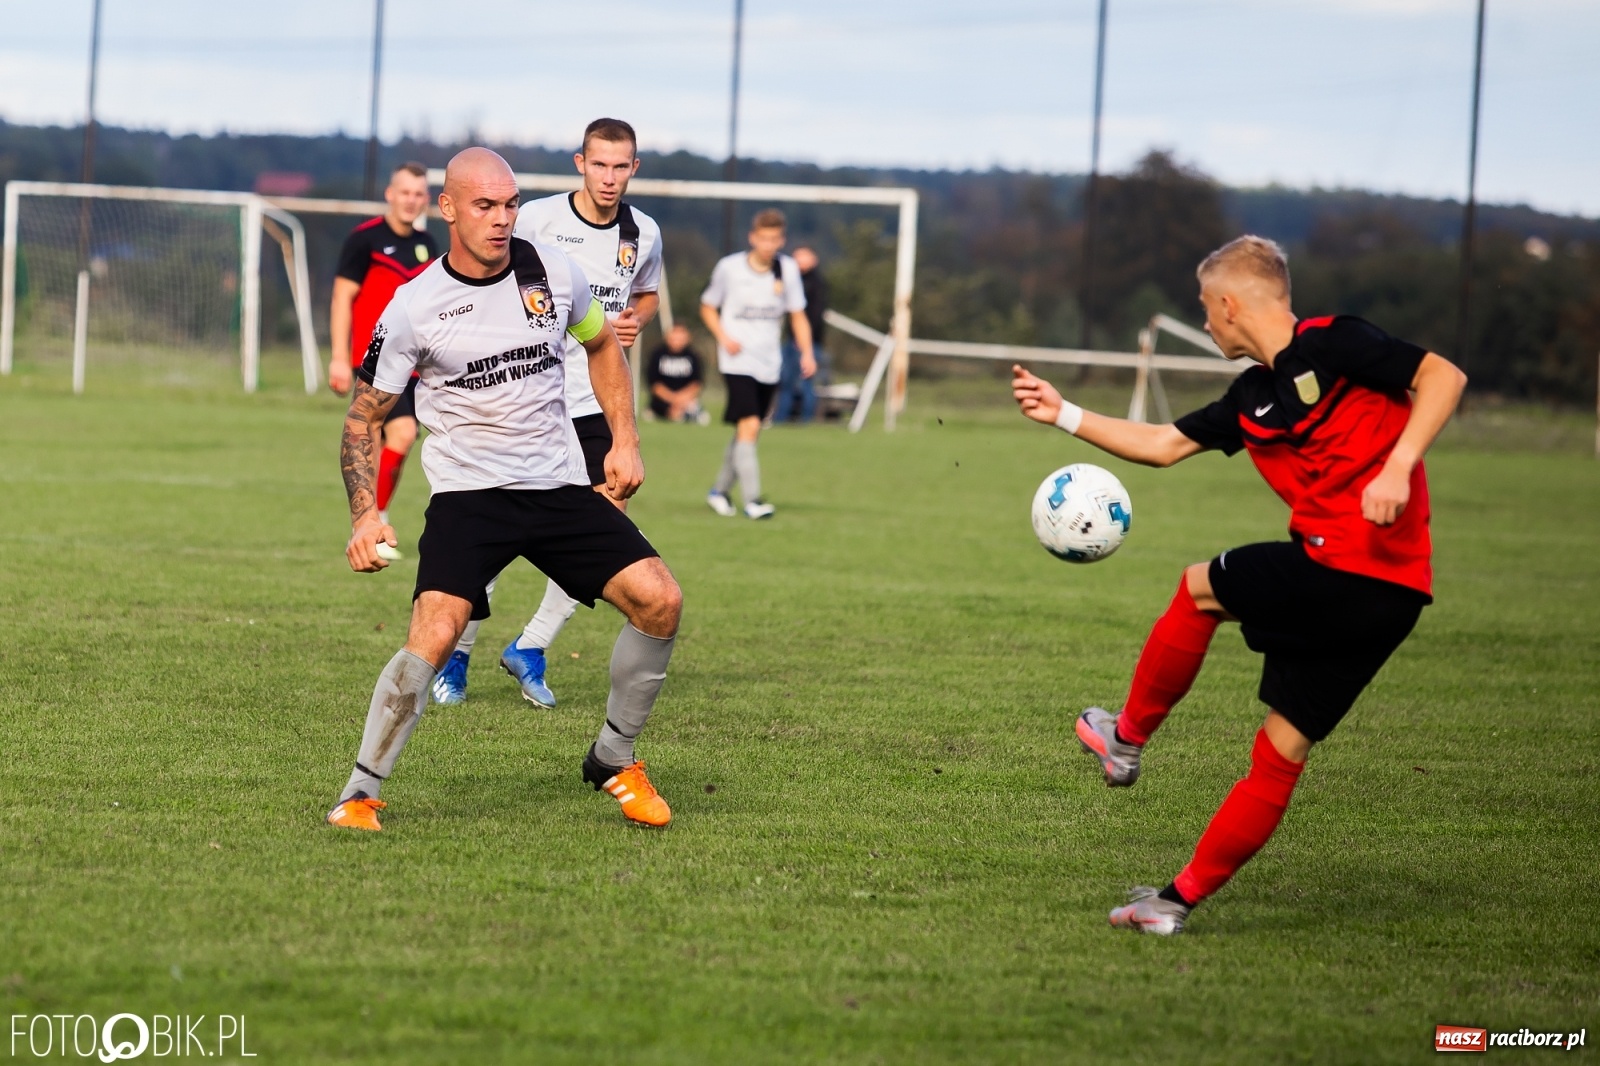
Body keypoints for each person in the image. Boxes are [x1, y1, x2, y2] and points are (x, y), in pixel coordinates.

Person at [1011, 235, 1466, 934]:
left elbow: (1444, 377)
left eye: (1204, 308)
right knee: (1280, 753)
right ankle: (1171, 904)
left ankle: (1125, 739)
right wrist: (1063, 413)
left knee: (1200, 587)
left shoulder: (1336, 342)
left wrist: (1399, 466)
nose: (1204, 322)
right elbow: (1163, 445)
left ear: (1229, 304)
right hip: (1392, 598)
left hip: (1339, 571)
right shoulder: (1251, 397)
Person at [326, 147, 683, 832]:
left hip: (557, 486)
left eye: (511, 204)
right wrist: (365, 516)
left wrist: (626, 438)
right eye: (485, 205)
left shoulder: (553, 272)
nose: (502, 218)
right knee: (434, 634)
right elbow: (363, 418)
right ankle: (359, 794)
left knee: (660, 600)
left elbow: (602, 345)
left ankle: (613, 757)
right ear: (448, 208)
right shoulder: (414, 307)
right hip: (470, 497)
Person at [431, 118, 664, 709]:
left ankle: (531, 645)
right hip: (529, 402)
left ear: (634, 168)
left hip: (595, 403)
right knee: (496, 527)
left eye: (621, 166)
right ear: (580, 163)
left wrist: (636, 321)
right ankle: (458, 654)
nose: (609, 177)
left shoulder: (643, 232)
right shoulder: (535, 218)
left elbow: (646, 294)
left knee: (607, 530)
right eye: (599, 164)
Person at [328, 162, 437, 549]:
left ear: (426, 199)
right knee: (397, 433)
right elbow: (342, 297)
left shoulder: (427, 244)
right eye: (404, 192)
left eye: (418, 194)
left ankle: (371, 521)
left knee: (397, 439)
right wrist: (339, 356)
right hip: (371, 359)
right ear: (390, 194)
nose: (410, 200)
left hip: (413, 364)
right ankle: (375, 522)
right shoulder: (364, 240)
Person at [701, 209, 816, 519]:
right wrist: (723, 337)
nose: (768, 245)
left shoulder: (787, 270)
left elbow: (798, 315)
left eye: (774, 239)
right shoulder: (730, 268)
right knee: (750, 424)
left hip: (769, 362)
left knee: (747, 431)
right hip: (737, 361)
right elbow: (708, 306)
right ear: (752, 238)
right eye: (763, 238)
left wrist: (807, 353)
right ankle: (753, 501)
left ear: (782, 240)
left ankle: (719, 492)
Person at [774, 246, 826, 423]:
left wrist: (804, 340)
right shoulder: (793, 281)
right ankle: (781, 418)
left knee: (805, 382)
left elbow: (814, 316)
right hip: (792, 340)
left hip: (806, 342)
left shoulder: (815, 284)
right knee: (785, 382)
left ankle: (806, 419)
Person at [647, 323, 706, 423]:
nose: (677, 342)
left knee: (692, 407)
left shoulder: (694, 357)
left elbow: (696, 384)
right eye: (674, 338)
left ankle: (689, 413)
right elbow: (655, 385)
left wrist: (681, 400)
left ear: (687, 339)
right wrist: (673, 400)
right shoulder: (657, 355)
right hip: (663, 400)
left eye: (680, 339)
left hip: (685, 400)